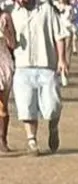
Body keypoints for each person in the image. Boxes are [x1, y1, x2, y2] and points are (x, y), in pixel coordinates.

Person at [8, 0, 67, 156]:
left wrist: (62, 59)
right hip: (22, 66)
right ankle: (31, 140)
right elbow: (10, 42)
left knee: (53, 106)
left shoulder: (47, 9)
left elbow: (60, 35)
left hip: (46, 64)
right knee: (27, 106)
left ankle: (53, 127)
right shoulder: (12, 14)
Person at [0, 9, 15, 155]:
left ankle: (2, 140)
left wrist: (6, 34)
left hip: (3, 64)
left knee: (2, 105)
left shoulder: (5, 18)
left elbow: (13, 44)